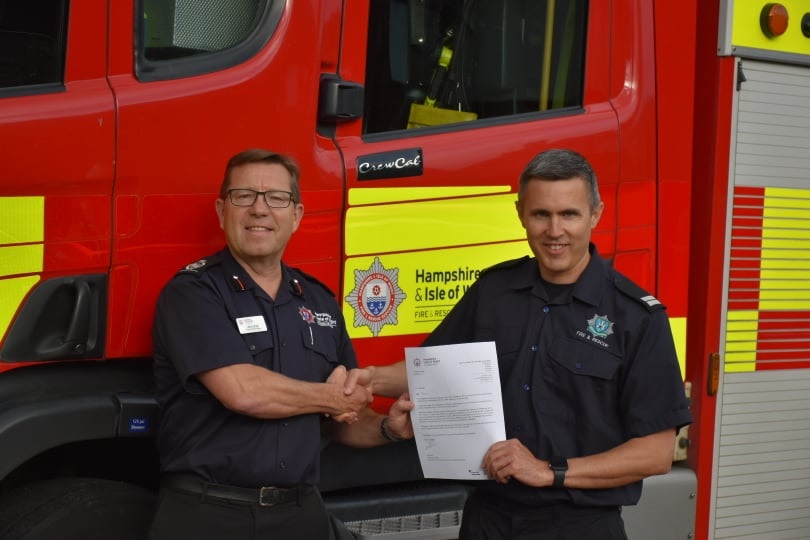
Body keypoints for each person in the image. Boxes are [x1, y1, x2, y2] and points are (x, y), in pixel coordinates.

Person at [347, 148, 692, 539]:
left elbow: (655, 453)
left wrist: (548, 471)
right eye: (541, 214)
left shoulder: (636, 317)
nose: (554, 230)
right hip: (488, 518)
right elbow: (431, 372)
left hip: (578, 526)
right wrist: (370, 379)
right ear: (520, 214)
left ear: (595, 214)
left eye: (570, 214)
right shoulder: (493, 291)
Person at [149, 148, 413, 540]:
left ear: (296, 215)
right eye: (244, 196)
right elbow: (244, 392)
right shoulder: (193, 293)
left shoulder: (319, 301)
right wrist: (333, 398)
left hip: (300, 515)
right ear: (222, 211)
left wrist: (387, 428)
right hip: (210, 515)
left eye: (276, 198)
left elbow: (341, 422)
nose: (259, 210)